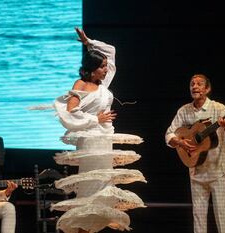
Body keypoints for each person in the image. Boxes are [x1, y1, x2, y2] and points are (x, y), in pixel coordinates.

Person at [50, 28, 146, 233]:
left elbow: (111, 51)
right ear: (92, 69)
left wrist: (88, 42)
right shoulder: (82, 84)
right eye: (101, 66)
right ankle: (83, 228)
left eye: (104, 66)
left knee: (104, 184)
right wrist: (96, 118)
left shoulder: (104, 83)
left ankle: (95, 226)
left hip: (105, 140)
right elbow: (69, 113)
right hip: (90, 141)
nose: (105, 69)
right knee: (91, 184)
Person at [165, 74, 225, 233]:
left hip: (218, 170)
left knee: (222, 218)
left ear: (207, 89)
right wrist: (180, 142)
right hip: (196, 173)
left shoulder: (219, 108)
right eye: (192, 84)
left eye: (199, 84)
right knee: (198, 219)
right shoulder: (184, 111)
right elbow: (169, 134)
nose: (195, 87)